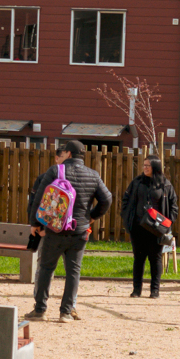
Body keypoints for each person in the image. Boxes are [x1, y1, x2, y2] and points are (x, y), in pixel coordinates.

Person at [26, 138, 111, 323]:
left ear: (68, 153)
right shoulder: (93, 175)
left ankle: (40, 310)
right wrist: (92, 216)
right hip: (79, 231)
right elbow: (107, 199)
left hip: (55, 229)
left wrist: (35, 223)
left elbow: (40, 198)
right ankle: (65, 312)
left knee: (46, 268)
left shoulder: (56, 171)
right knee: (73, 271)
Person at [119, 156, 178, 299]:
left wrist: (166, 224)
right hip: (137, 227)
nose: (144, 168)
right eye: (144, 165)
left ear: (155, 167)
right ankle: (136, 290)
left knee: (155, 259)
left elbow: (173, 207)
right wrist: (127, 217)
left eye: (148, 165)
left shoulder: (165, 185)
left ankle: (155, 291)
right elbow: (126, 199)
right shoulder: (137, 182)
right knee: (139, 259)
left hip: (156, 229)